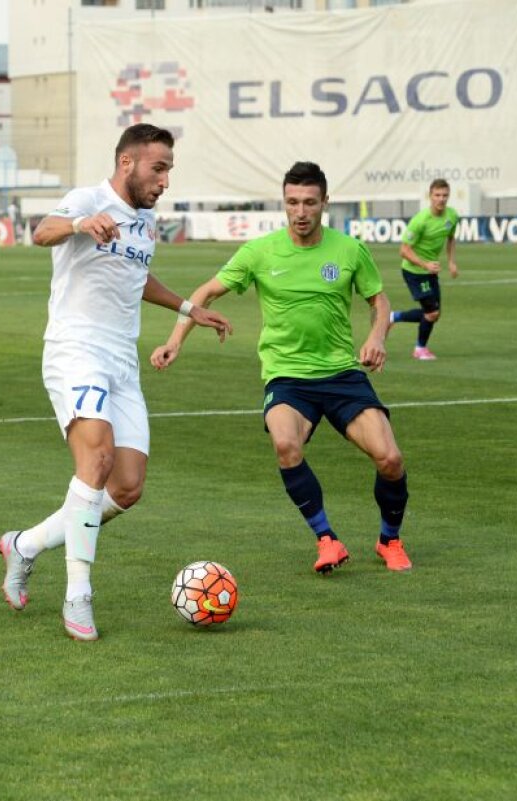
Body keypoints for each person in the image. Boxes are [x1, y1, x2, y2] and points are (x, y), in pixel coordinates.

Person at [0, 124, 231, 641]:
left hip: (122, 361)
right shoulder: (89, 199)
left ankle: (25, 544)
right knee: (97, 459)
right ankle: (78, 594)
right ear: (128, 162)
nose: (165, 181)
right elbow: (42, 232)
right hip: (75, 350)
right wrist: (81, 223)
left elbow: (136, 276)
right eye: (158, 168)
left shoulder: (145, 222)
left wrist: (190, 309)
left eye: (169, 170)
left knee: (126, 486)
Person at [152, 161, 413, 575]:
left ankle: (389, 540)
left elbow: (378, 301)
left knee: (391, 459)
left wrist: (377, 337)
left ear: (325, 202)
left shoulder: (349, 250)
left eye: (309, 202)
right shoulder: (260, 252)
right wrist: (174, 339)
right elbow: (206, 292)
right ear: (284, 202)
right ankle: (327, 539)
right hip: (287, 377)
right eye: (292, 202)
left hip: (342, 374)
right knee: (286, 445)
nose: (300, 212)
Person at [389, 178, 459, 360]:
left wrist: (451, 262)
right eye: (437, 195)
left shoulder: (452, 216)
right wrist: (425, 264)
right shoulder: (420, 221)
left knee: (435, 314)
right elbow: (403, 250)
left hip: (430, 271)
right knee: (432, 312)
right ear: (430, 196)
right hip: (414, 272)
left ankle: (393, 317)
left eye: (445, 195)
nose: (441, 199)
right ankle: (419, 349)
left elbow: (451, 238)